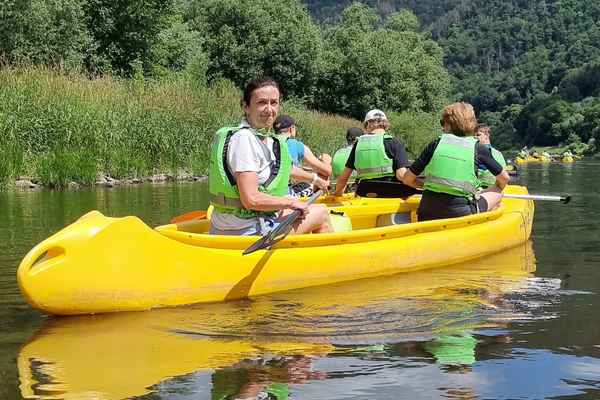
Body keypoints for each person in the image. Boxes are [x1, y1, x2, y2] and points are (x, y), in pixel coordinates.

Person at [208, 76, 333, 236]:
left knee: (292, 200)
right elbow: (251, 199)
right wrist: (290, 203)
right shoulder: (244, 140)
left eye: (274, 103)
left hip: (245, 223)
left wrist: (316, 180)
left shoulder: (263, 139)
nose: (269, 109)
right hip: (246, 230)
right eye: (261, 103)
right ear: (245, 106)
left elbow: (284, 171)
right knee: (321, 213)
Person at [402, 102, 510, 222]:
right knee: (499, 190)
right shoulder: (478, 148)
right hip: (461, 214)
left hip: (426, 213)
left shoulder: (435, 145)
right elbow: (505, 179)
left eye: (443, 123)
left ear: (448, 125)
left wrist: (425, 187)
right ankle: (484, 224)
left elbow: (407, 179)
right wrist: (490, 188)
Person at [332, 109, 413, 197]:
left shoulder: (358, 144)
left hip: (365, 194)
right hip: (389, 195)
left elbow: (343, 179)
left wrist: (336, 193)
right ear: (385, 124)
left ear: (367, 124)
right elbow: (401, 175)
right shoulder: (394, 142)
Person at [273, 115, 332, 198]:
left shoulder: (268, 141)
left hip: (268, 192)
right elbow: (327, 171)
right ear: (291, 128)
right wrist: (326, 161)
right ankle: (321, 201)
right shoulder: (296, 144)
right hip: (286, 195)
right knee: (323, 176)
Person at [474, 123, 507, 188]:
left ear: (487, 135)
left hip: (481, 189)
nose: (475, 137)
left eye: (478, 135)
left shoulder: (478, 151)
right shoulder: (498, 153)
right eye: (474, 136)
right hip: (497, 188)